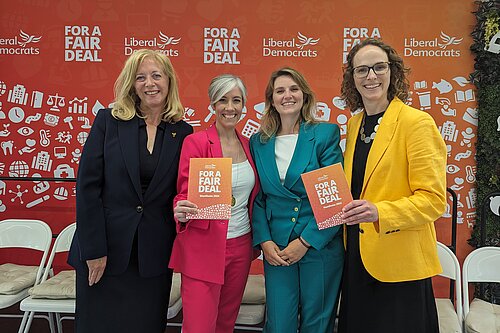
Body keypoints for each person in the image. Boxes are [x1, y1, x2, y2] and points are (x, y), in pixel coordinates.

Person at [68, 49, 193, 333]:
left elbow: (182, 189)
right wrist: (94, 250)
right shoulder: (108, 121)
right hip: (104, 254)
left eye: (156, 75)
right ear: (131, 85)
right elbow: (87, 188)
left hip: (153, 258)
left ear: (169, 81)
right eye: (141, 77)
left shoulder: (183, 132)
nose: (150, 83)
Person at [338, 38, 447, 333]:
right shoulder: (353, 125)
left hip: (400, 263)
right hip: (357, 258)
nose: (370, 76)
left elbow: (434, 200)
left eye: (378, 68)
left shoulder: (417, 123)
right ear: (353, 78)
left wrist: (379, 212)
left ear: (392, 72)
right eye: (362, 70)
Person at [250, 67, 344, 333]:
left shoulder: (324, 135)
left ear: (304, 95)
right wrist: (265, 241)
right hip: (276, 249)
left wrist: (305, 242)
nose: (287, 95)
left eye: (293, 89)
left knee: (317, 323)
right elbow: (258, 198)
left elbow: (333, 198)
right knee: (279, 324)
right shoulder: (259, 142)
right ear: (271, 99)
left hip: (318, 244)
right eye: (280, 91)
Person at [169, 74, 260, 333]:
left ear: (243, 105)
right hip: (203, 246)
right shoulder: (196, 142)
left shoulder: (250, 145)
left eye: (236, 100)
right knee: (198, 326)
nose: (229, 108)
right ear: (212, 104)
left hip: (241, 245)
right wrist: (181, 209)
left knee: (226, 323)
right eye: (223, 100)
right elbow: (183, 193)